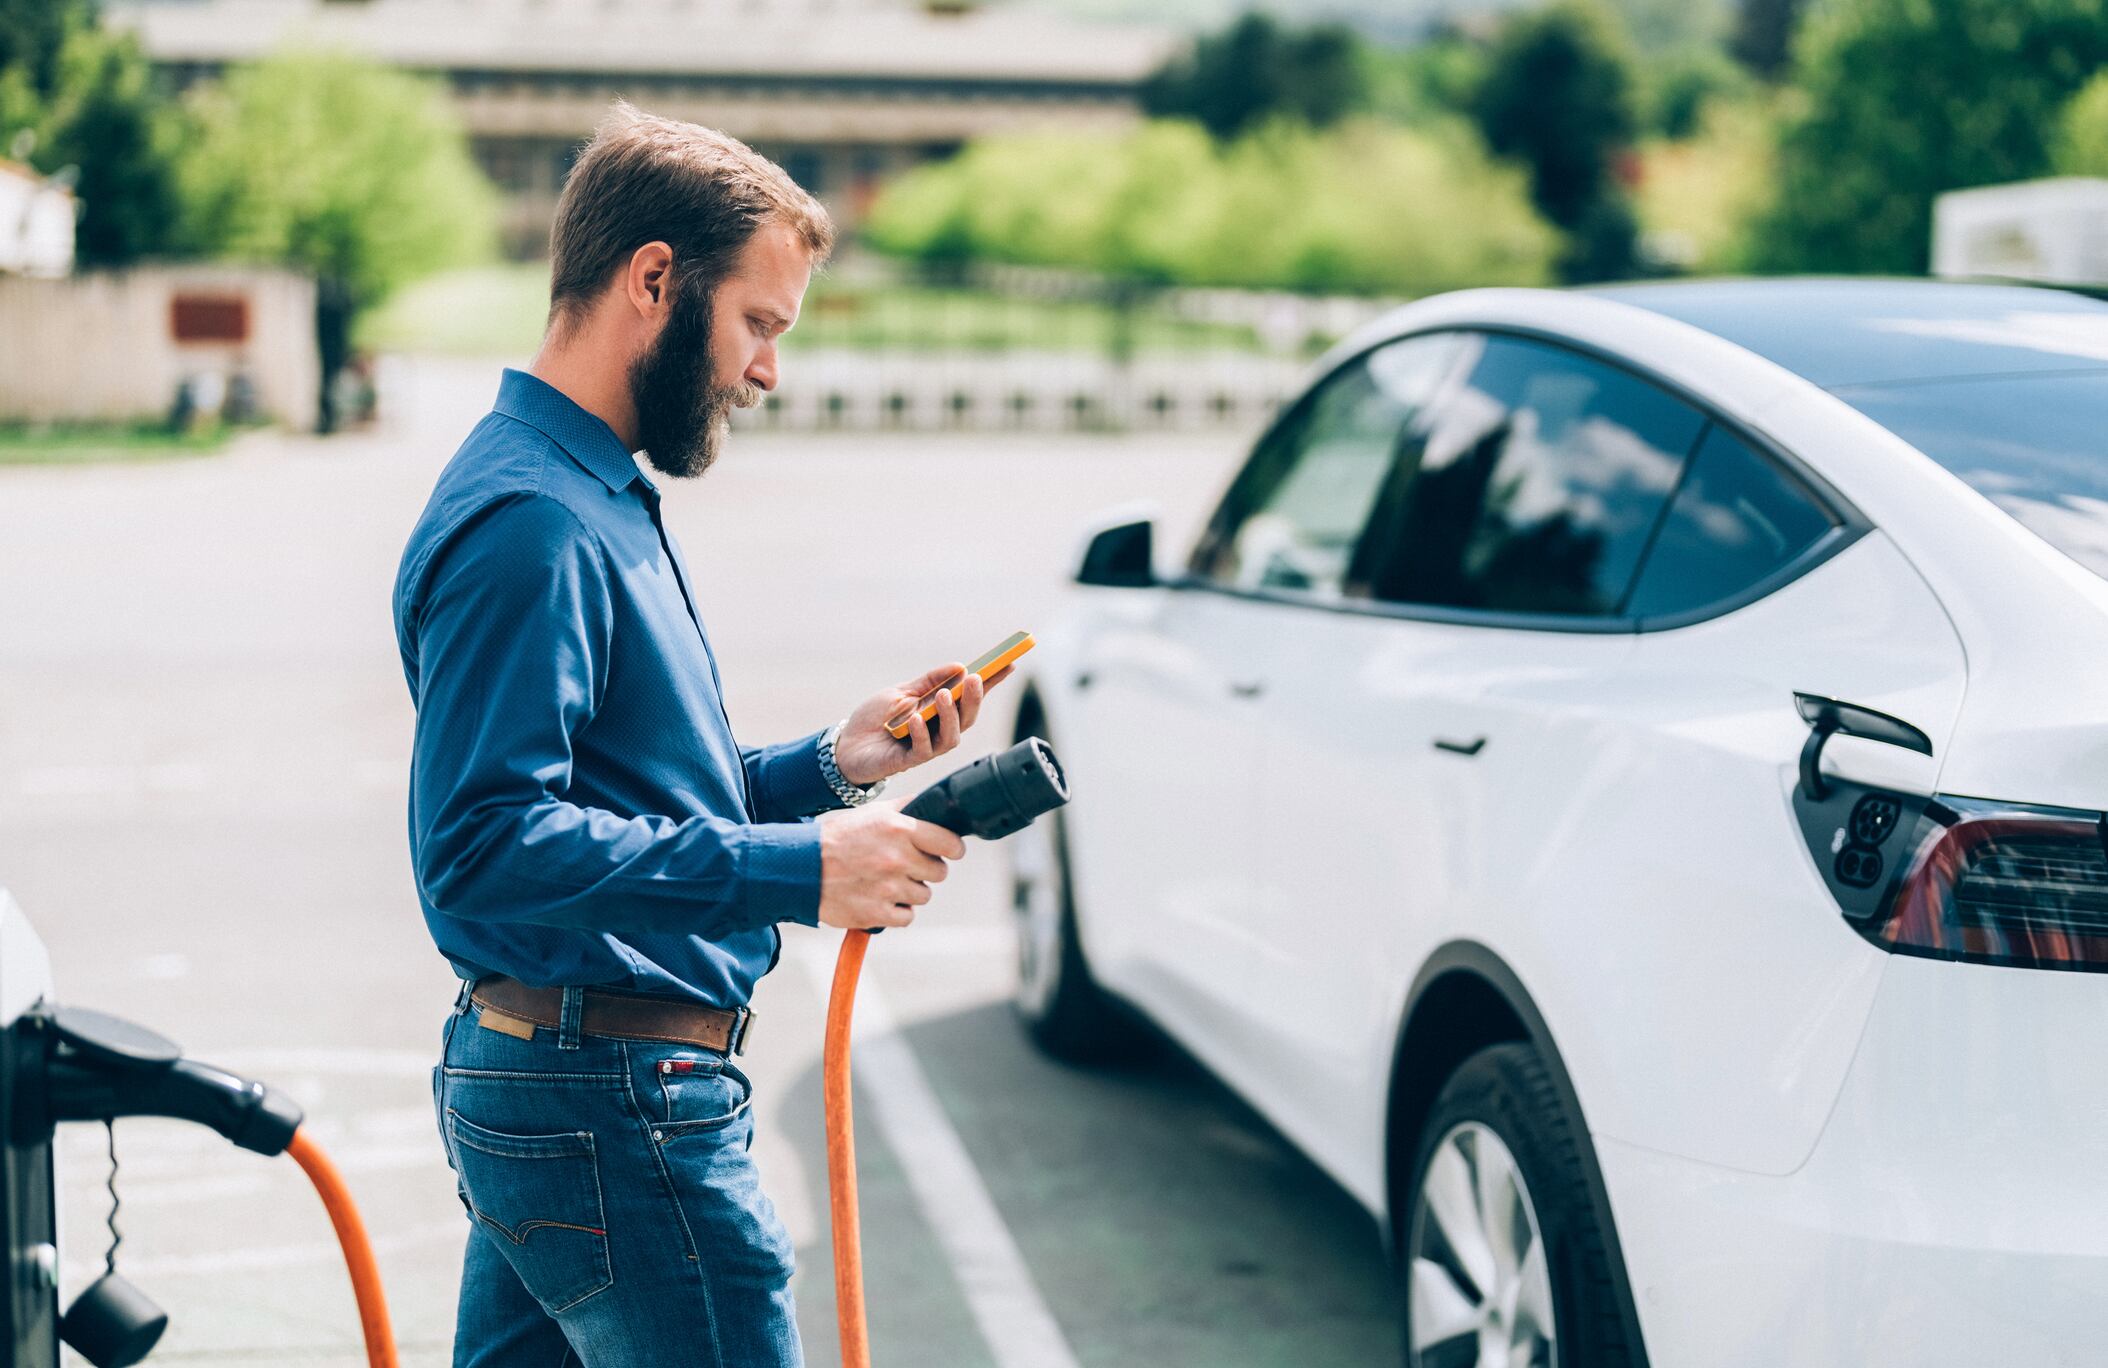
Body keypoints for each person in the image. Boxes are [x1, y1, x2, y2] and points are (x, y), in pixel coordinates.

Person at [392, 102, 1000, 1368]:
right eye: (758, 322)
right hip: (613, 1105)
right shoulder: (534, 521)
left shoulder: (586, 490)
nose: (767, 367)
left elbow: (627, 792)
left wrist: (831, 770)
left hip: (570, 1085)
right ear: (654, 279)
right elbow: (485, 841)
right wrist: (804, 870)